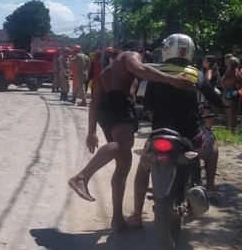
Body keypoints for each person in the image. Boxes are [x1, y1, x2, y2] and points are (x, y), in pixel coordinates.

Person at [67, 40, 195, 234]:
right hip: (119, 104)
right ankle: (82, 177)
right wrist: (171, 79)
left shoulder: (106, 71)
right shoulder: (130, 56)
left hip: (106, 110)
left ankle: (118, 220)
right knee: (123, 144)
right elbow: (140, 68)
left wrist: (92, 131)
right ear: (140, 51)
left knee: (123, 165)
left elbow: (94, 103)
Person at [126, 34, 224, 229]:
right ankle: (211, 188)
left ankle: (137, 214)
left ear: (166, 50)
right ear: (190, 52)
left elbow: (147, 106)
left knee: (144, 166)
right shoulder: (196, 74)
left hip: (160, 133)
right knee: (212, 145)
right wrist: (221, 104)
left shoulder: (157, 73)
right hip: (190, 134)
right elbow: (215, 100)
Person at [221, 57, 242, 133]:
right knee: (234, 112)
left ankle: (229, 130)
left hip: (229, 92)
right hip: (236, 91)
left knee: (229, 113)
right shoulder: (237, 71)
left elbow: (222, 80)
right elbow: (240, 81)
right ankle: (232, 129)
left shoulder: (229, 71)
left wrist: (225, 89)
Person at [202, 55, 220, 129]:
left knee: (206, 113)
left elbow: (207, 80)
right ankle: (209, 128)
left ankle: (208, 130)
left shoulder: (209, 70)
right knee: (208, 113)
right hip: (211, 94)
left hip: (208, 94)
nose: (203, 62)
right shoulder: (214, 70)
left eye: (205, 60)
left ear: (208, 62)